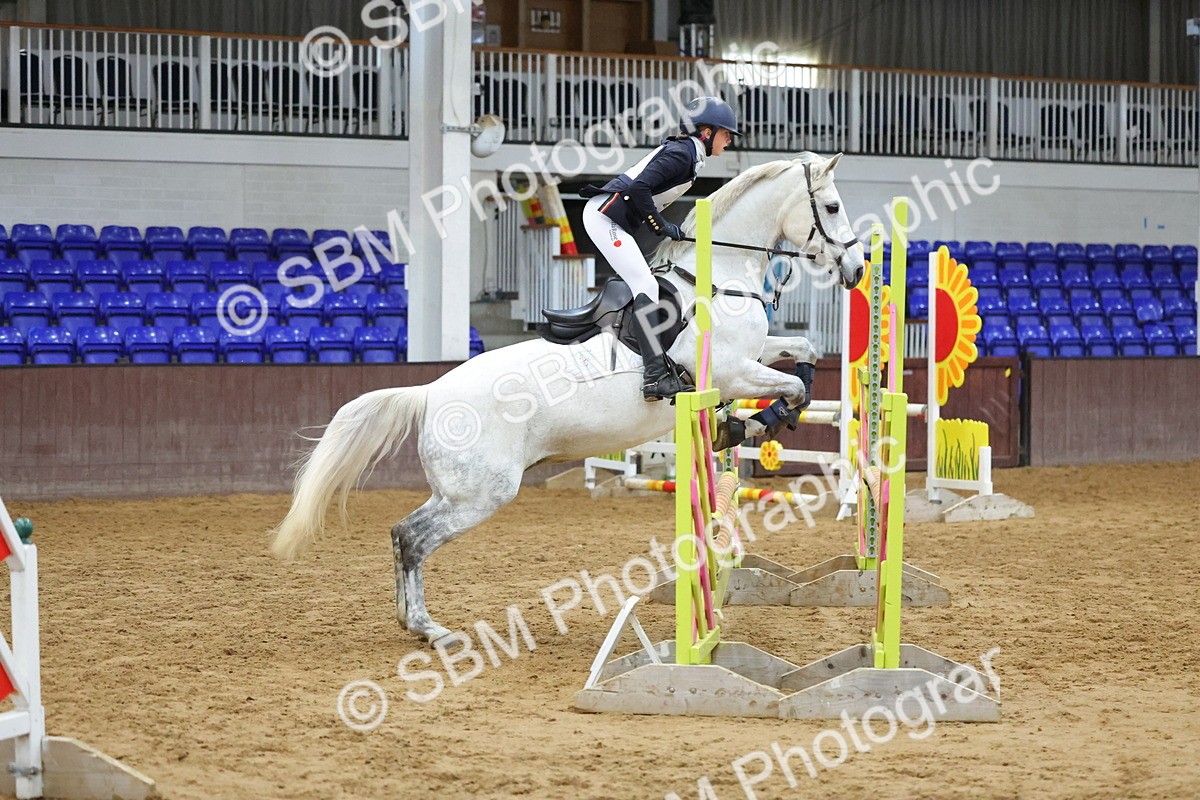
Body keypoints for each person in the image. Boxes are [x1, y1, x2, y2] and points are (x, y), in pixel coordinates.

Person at [580, 96, 740, 401]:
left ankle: (651, 361)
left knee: (647, 282)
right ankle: (653, 376)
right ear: (707, 132)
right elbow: (639, 187)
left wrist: (660, 224)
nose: (729, 140)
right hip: (605, 216)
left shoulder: (688, 154)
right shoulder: (681, 154)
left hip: (615, 218)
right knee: (646, 285)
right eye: (726, 133)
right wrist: (661, 226)